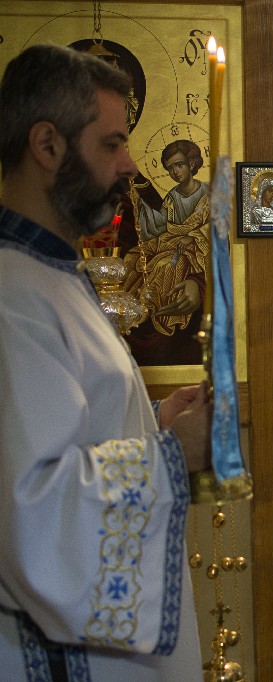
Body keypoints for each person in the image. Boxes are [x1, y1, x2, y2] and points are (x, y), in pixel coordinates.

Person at [0, 44, 212, 680]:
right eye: (113, 143)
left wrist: (153, 419)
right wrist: (173, 453)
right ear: (48, 145)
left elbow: (67, 424)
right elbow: (32, 505)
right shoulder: (12, 293)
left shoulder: (52, 273)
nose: (130, 164)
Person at [123, 139, 209, 349]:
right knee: (134, 258)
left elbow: (214, 226)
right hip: (170, 239)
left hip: (195, 246)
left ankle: (155, 310)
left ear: (191, 163)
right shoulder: (173, 195)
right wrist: (140, 204)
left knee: (164, 265)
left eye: (179, 165)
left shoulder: (207, 193)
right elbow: (160, 224)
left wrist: (192, 236)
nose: (175, 172)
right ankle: (133, 310)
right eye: (170, 168)